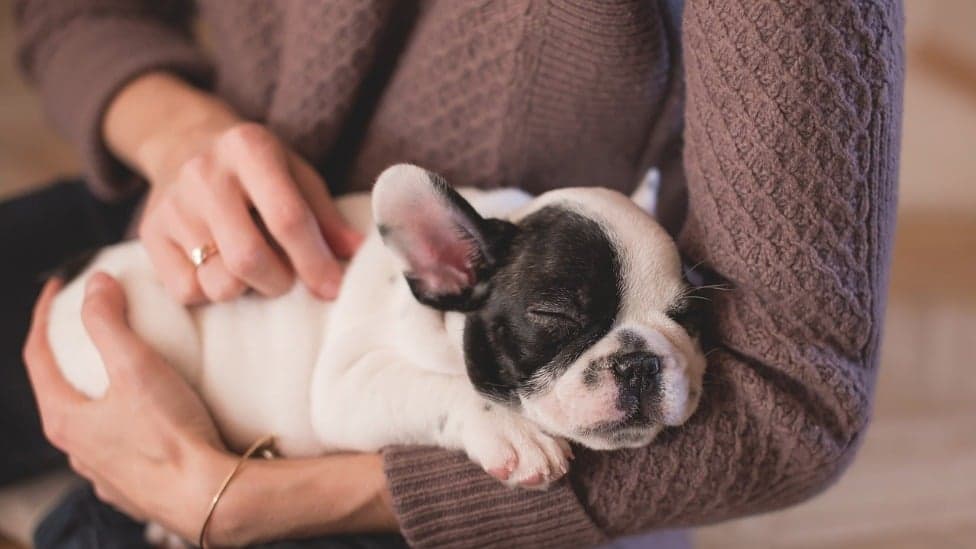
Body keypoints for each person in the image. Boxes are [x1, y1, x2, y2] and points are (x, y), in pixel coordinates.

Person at [7, 0, 904, 547]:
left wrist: (232, 499)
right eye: (565, 321)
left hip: (374, 428)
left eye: (681, 319)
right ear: (441, 271)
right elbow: (77, 13)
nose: (642, 358)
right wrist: (177, 136)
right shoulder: (458, 265)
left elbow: (796, 400)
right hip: (199, 235)